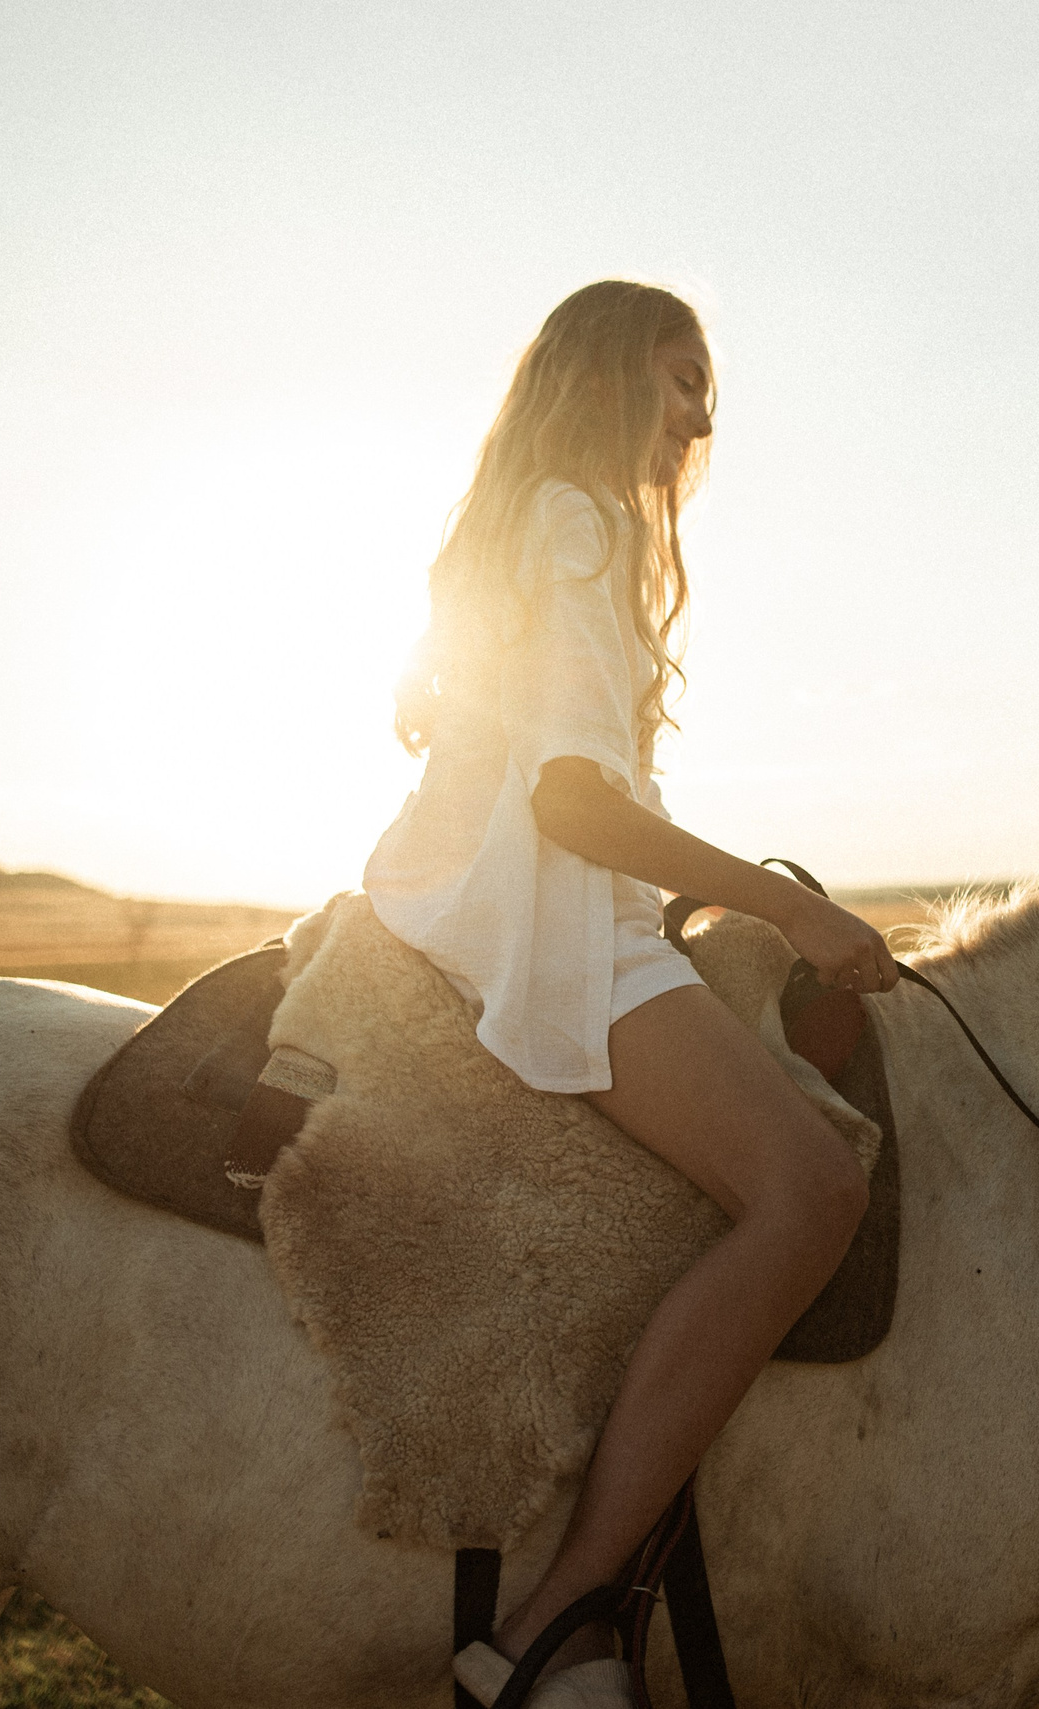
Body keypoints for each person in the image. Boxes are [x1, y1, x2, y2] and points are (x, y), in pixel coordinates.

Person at [364, 280, 896, 1707]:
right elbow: (575, 800)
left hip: (525, 904)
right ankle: (563, 1614)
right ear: (608, 377)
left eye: (705, 387)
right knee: (811, 1190)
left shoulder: (537, 521)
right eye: (677, 379)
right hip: (554, 930)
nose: (699, 414)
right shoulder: (579, 524)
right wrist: (787, 900)